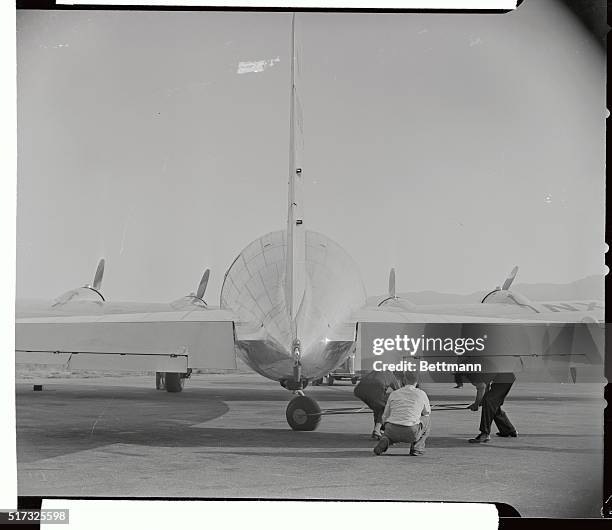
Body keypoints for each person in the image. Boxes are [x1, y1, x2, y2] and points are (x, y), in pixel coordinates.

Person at [373, 371, 431, 456]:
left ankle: (387, 439)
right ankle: (417, 448)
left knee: (392, 432)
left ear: (403, 380)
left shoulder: (394, 393)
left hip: (391, 429)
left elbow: (385, 415)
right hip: (411, 431)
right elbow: (427, 412)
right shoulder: (421, 393)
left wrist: (384, 427)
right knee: (427, 419)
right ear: (417, 381)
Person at [354, 370, 407, 439]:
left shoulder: (378, 371)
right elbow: (398, 391)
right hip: (374, 389)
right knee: (385, 408)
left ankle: (377, 430)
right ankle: (377, 429)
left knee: (378, 407)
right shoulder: (392, 376)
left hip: (359, 390)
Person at [467, 372, 517, 443]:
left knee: (489, 401)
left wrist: (476, 404)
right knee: (491, 403)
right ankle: (508, 430)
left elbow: (481, 387)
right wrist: (480, 401)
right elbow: (485, 386)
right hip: (503, 377)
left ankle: (485, 434)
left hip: (505, 377)